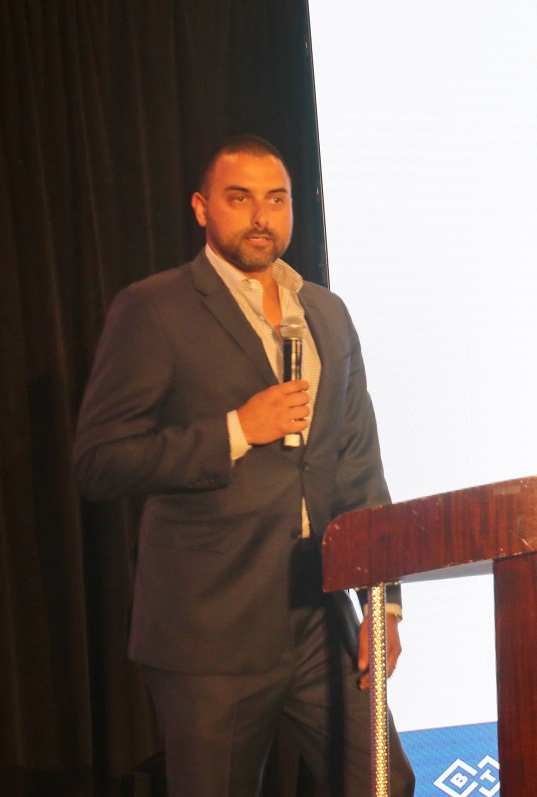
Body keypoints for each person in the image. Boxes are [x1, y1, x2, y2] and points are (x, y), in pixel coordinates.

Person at [73, 135, 416, 797]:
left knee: (383, 784)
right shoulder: (154, 308)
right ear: (202, 208)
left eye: (276, 199)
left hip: (318, 614)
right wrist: (236, 430)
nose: (261, 216)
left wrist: (386, 603)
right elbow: (99, 461)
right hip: (209, 632)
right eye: (240, 198)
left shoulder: (326, 312)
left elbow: (359, 464)